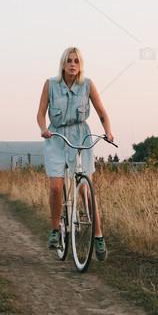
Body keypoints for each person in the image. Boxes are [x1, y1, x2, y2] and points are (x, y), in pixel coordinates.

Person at [36, 47, 115, 260]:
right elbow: (40, 113)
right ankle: (54, 230)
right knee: (56, 186)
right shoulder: (50, 85)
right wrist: (44, 128)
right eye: (69, 60)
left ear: (81, 65)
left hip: (81, 136)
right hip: (56, 138)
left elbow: (101, 113)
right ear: (63, 63)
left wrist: (108, 131)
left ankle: (98, 236)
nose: (73, 64)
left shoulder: (87, 85)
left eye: (76, 61)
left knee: (85, 189)